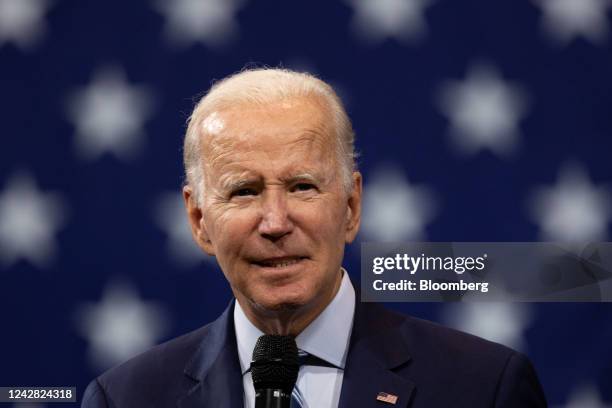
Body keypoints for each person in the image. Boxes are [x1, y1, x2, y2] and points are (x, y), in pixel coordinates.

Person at [81, 68, 547, 408]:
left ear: (350, 206)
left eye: (302, 186)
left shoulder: (483, 388)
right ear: (199, 219)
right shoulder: (125, 399)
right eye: (244, 191)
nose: (276, 222)